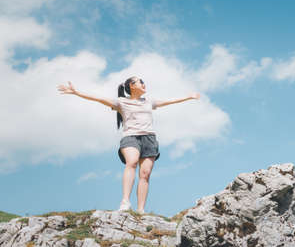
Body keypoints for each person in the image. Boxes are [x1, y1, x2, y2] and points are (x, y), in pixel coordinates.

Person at [57, 76, 200, 214]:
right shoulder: (121, 102)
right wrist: (76, 92)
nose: (144, 84)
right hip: (130, 137)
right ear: (131, 86)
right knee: (131, 162)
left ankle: (140, 210)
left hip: (149, 138)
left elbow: (169, 101)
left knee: (145, 174)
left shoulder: (149, 101)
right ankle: (125, 202)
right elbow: (98, 98)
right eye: (140, 82)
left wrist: (188, 97)